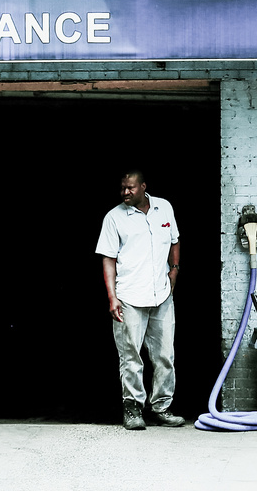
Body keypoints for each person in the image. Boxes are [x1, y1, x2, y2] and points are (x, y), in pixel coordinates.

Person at [95, 169, 186, 430]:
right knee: (131, 357)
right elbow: (108, 259)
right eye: (122, 188)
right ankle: (133, 409)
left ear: (143, 187)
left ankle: (162, 407)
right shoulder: (114, 218)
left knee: (165, 356)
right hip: (130, 297)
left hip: (162, 296)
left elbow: (175, 240)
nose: (125, 192)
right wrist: (112, 297)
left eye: (130, 188)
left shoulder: (164, 208)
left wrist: (175, 269)